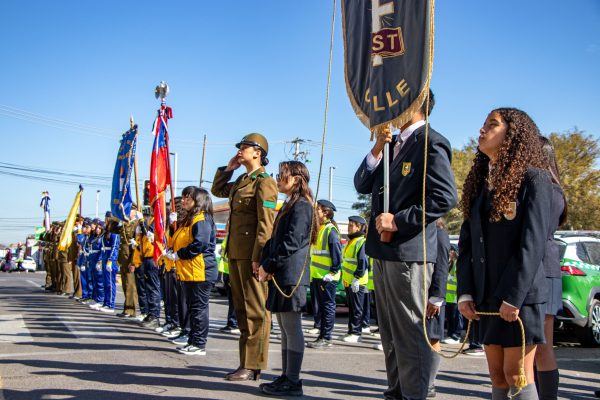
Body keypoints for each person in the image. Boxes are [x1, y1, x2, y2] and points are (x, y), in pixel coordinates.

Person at [353, 90, 457, 399]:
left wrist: (398, 221)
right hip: (382, 251)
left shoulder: (430, 141)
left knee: (411, 335)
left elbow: (444, 197)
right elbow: (361, 183)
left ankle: (415, 394)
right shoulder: (392, 143)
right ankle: (396, 391)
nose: (389, 108)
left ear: (414, 105)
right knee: (390, 334)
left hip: (408, 251)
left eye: (396, 102)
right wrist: (377, 147)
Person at [457, 108, 552, 400]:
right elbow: (467, 245)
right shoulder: (480, 184)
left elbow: (532, 243)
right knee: (497, 375)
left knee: (516, 375)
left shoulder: (534, 179)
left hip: (518, 297)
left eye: (492, 124)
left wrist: (514, 296)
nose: (482, 129)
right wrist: (465, 292)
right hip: (486, 294)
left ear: (513, 134)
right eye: (483, 123)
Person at [211, 132, 278, 381]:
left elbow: (266, 225)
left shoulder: (265, 183)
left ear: (258, 152)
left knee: (256, 311)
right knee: (242, 310)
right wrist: (228, 168)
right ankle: (245, 363)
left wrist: (258, 258)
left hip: (252, 256)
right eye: (239, 147)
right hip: (236, 254)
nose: (240, 150)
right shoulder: (241, 179)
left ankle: (253, 365)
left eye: (245, 147)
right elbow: (218, 189)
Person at [258, 160, 316, 396]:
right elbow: (274, 240)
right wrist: (265, 263)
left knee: (292, 329)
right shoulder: (290, 204)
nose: (279, 179)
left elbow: (290, 243)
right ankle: (285, 376)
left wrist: (270, 265)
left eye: (283, 175)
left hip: (292, 276)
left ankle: (293, 381)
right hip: (281, 274)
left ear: (297, 179)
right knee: (284, 328)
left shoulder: (302, 206)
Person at [163, 186, 218, 355]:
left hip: (201, 271)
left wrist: (180, 254)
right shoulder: (190, 219)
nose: (184, 201)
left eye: (188, 198)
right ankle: (193, 340)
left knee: (198, 308)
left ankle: (199, 343)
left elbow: (199, 244)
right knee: (193, 307)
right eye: (184, 197)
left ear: (198, 200)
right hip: (190, 271)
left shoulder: (201, 218)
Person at [534, 136, 567, 400]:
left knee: (542, 346)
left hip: (543, 269)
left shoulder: (549, 190)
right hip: (542, 267)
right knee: (534, 347)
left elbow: (535, 232)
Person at [306, 199, 342, 349]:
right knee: (321, 307)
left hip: (327, 278)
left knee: (327, 307)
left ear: (326, 213)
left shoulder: (330, 231)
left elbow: (337, 257)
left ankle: (326, 338)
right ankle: (322, 335)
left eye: (318, 210)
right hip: (317, 276)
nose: (315, 212)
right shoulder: (319, 229)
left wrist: (332, 273)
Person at [426, 218, 451, 398]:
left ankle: (429, 383)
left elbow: (442, 266)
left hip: (431, 297)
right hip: (418, 294)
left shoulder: (440, 234)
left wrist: (436, 298)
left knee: (432, 339)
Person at [339, 215, 369, 343]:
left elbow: (363, 262)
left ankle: (356, 333)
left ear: (359, 227)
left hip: (357, 282)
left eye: (351, 225)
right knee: (352, 308)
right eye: (348, 225)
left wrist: (357, 278)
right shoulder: (351, 241)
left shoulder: (361, 241)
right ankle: (351, 331)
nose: (349, 227)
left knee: (357, 308)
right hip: (349, 281)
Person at [132, 207, 162, 328]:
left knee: (153, 288)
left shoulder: (155, 222)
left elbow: (151, 234)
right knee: (148, 288)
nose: (145, 217)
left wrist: (142, 223)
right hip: (145, 258)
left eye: (146, 215)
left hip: (153, 258)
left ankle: (155, 316)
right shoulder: (144, 224)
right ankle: (150, 313)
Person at [115, 207, 140, 319]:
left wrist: (133, 262)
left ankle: (131, 310)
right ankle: (127, 308)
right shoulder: (125, 224)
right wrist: (117, 218)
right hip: (123, 259)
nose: (126, 212)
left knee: (130, 285)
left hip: (130, 259)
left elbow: (136, 246)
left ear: (135, 212)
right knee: (125, 284)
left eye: (129, 210)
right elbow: (111, 229)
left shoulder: (136, 225)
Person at [218, 231, 240, 334]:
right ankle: (232, 322)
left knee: (234, 300)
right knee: (231, 300)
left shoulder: (235, 235)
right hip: (227, 271)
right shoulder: (229, 235)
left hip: (231, 271)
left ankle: (233, 323)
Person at [442, 245, 464, 345]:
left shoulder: (457, 263)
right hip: (449, 297)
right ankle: (450, 334)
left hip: (455, 296)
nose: (449, 252)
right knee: (450, 317)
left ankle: (456, 335)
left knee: (456, 317)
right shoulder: (450, 263)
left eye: (451, 250)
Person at [99, 217, 120, 313]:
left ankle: (111, 304)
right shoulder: (105, 232)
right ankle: (106, 302)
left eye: (107, 220)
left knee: (110, 283)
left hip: (110, 260)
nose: (105, 221)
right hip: (104, 258)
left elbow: (115, 247)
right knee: (105, 282)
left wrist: (111, 260)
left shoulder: (114, 232)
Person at [89, 221, 106, 310]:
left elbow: (101, 251)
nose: (97, 230)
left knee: (100, 282)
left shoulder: (102, 238)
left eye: (100, 228)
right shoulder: (96, 237)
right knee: (95, 281)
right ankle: (96, 299)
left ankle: (100, 300)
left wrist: (99, 261)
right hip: (93, 259)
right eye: (97, 228)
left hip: (98, 260)